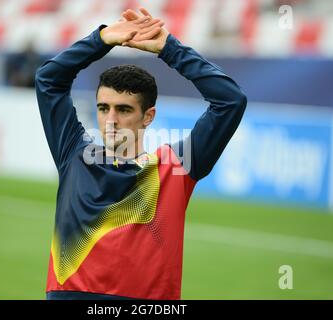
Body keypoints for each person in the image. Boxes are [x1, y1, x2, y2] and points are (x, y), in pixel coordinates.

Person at [35, 7, 247, 300]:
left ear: (148, 116)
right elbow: (48, 79)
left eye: (123, 110)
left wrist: (169, 49)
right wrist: (101, 39)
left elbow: (230, 101)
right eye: (103, 108)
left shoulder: (176, 166)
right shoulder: (72, 152)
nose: (110, 120)